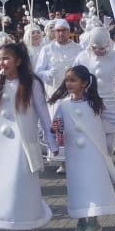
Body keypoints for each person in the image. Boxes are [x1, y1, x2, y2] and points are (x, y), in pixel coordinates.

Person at [0, 43, 57, 231]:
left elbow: (43, 112)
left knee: (23, 183)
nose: (2, 63)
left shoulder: (31, 83)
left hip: (21, 142)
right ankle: (9, 224)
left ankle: (32, 225)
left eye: (7, 59)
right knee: (3, 184)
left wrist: (52, 141)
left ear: (18, 61)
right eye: (0, 59)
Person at [49, 65, 115, 231]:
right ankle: (81, 220)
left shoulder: (94, 104)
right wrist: (55, 141)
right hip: (74, 155)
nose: (69, 83)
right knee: (77, 186)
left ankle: (93, 221)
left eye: (73, 80)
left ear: (84, 83)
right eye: (67, 80)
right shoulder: (63, 105)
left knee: (92, 185)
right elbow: (56, 127)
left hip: (92, 153)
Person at [35, 19, 82, 174]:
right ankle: (61, 160)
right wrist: (47, 74)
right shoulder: (47, 49)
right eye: (58, 31)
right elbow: (38, 71)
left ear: (69, 32)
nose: (61, 33)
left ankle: (76, 157)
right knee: (58, 129)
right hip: (54, 95)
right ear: (54, 32)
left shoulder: (77, 48)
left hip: (73, 95)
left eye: (64, 30)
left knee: (73, 128)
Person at [73, 27, 115, 158]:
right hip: (89, 103)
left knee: (109, 144)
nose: (100, 51)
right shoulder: (82, 57)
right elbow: (72, 78)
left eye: (103, 48)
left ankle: (108, 164)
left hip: (110, 102)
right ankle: (96, 165)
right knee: (92, 140)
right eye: (96, 48)